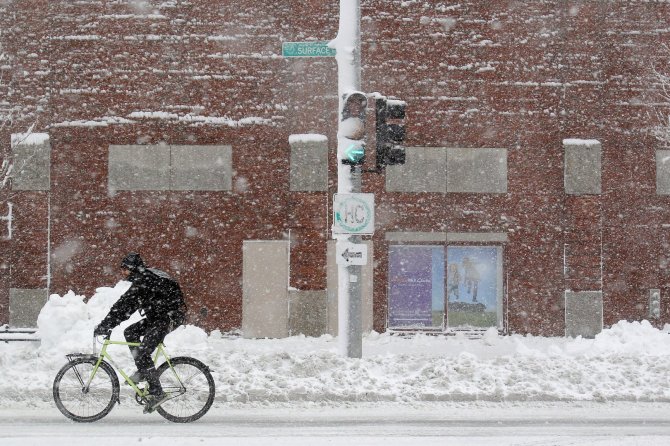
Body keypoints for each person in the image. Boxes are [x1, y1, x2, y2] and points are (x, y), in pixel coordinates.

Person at [94, 253, 187, 412]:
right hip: (158, 316)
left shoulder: (144, 281)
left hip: (168, 317)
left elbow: (124, 306)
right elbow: (126, 306)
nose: (123, 273)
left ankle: (157, 392)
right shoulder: (145, 277)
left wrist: (105, 325)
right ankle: (145, 370)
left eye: (125, 269)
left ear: (133, 268)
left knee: (143, 352)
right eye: (121, 269)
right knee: (130, 332)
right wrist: (108, 323)